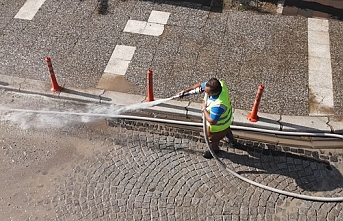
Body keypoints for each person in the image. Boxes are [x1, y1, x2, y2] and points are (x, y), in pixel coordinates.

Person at [180, 78, 237, 159]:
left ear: (214, 93)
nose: (204, 92)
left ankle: (214, 150)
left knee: (213, 140)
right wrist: (186, 91)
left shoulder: (218, 105)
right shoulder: (221, 85)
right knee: (227, 130)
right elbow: (200, 85)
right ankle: (232, 141)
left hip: (218, 126)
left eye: (207, 92)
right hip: (226, 121)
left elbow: (212, 121)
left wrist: (204, 109)